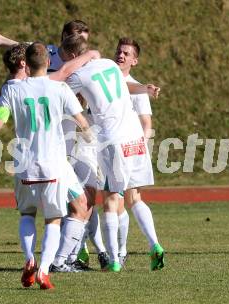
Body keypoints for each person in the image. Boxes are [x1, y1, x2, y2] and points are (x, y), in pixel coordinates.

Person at [0, 42, 91, 289]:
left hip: (25, 167)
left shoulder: (13, 89)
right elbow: (83, 124)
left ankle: (29, 259)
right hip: (54, 167)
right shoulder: (60, 88)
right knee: (53, 219)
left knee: (27, 214)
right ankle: (43, 271)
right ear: (48, 63)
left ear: (26, 64)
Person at [63, 35, 164, 272]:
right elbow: (124, 84)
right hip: (135, 139)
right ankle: (154, 244)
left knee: (110, 201)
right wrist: (144, 89)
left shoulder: (78, 75)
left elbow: (59, 88)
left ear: (74, 58)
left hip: (113, 141)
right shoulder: (109, 66)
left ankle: (114, 260)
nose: (121, 55)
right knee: (133, 199)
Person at [113, 37, 153, 266]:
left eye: (127, 53)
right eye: (119, 51)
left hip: (128, 150)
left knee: (124, 198)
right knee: (111, 200)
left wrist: (139, 147)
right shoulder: (104, 80)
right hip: (104, 146)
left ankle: (121, 251)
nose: (121, 55)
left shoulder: (137, 87)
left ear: (134, 61)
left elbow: (146, 123)